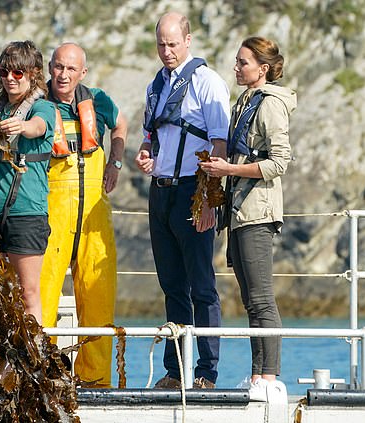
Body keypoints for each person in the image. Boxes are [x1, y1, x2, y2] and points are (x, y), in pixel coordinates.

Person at [134, 12, 230, 389]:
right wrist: (145, 153)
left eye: (173, 44)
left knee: (202, 285)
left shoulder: (208, 83)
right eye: (161, 44)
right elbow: (150, 135)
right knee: (171, 285)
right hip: (160, 191)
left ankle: (206, 372)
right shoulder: (156, 84)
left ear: (188, 41)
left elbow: (219, 145)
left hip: (194, 189)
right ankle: (175, 372)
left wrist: (209, 200)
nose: (167, 51)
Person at [200, 36, 296, 400]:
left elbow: (280, 161)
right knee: (251, 299)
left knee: (262, 297)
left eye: (243, 62)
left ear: (263, 68)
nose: (236, 68)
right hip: (240, 210)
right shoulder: (245, 102)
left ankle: (269, 377)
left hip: (258, 211)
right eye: (237, 61)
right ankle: (258, 376)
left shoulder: (270, 104)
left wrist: (229, 167)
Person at [40, 42, 127, 388]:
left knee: (98, 296)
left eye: (70, 69)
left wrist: (115, 162)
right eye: (58, 67)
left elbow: (120, 125)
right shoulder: (38, 104)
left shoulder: (99, 101)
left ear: (82, 73)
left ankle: (95, 379)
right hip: (51, 214)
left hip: (93, 214)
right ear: (49, 67)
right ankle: (42, 375)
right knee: (42, 298)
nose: (63, 75)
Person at [0, 41, 56, 324]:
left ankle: (33, 358)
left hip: (26, 213)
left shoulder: (43, 108)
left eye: (18, 73)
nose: (10, 78)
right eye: (4, 72)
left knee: (27, 292)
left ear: (33, 73)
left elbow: (39, 126)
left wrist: (22, 127)